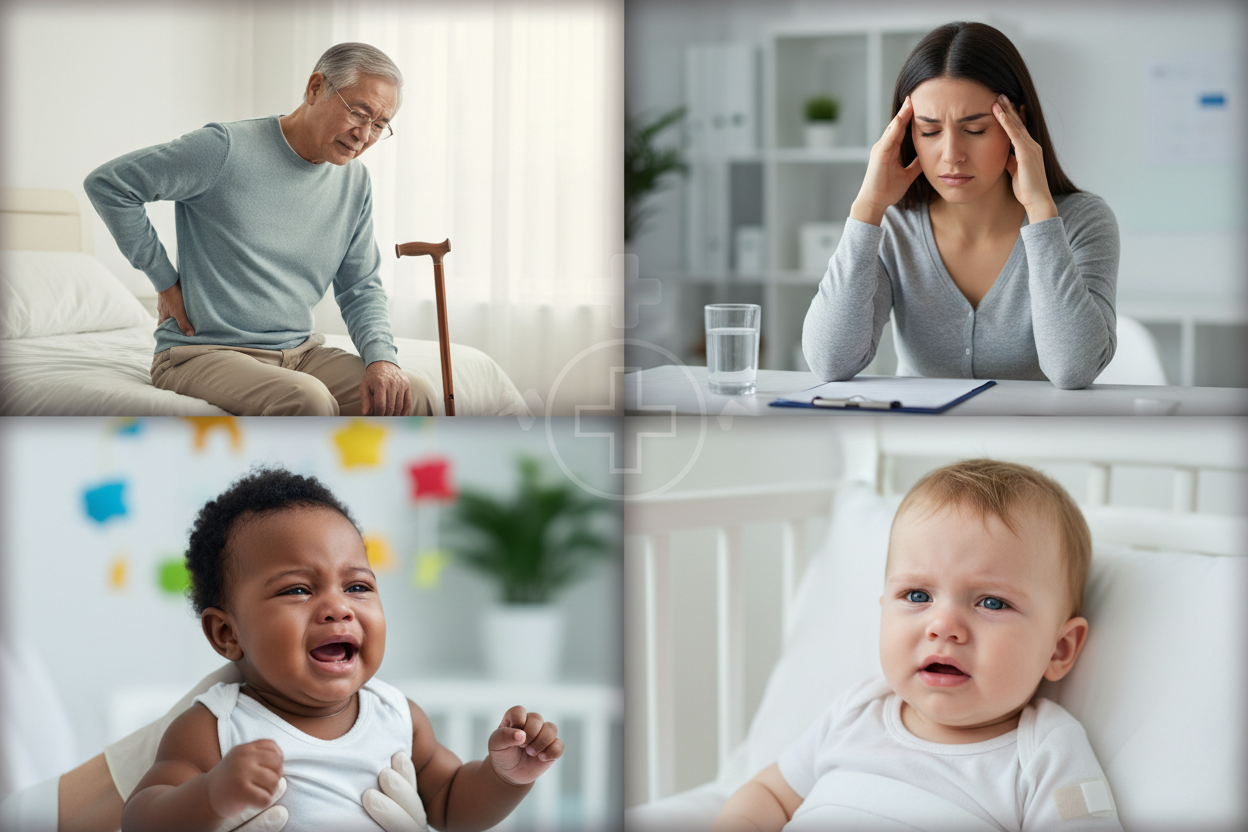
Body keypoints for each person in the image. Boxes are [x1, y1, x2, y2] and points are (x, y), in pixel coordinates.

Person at [117, 467, 561, 832]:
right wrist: (211, 795)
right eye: (296, 589)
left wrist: (503, 777)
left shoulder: (397, 716)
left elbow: (449, 805)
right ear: (226, 634)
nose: (338, 607)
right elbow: (140, 817)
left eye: (357, 586)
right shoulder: (216, 728)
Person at [712, 459, 1123, 831]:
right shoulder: (857, 712)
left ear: (1059, 649)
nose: (943, 626)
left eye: (992, 602)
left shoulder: (1044, 752)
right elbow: (769, 793)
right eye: (917, 596)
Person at [84, 43, 436, 416]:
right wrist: (164, 281)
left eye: (379, 124)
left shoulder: (355, 182)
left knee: (416, 396)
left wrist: (382, 359)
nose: (364, 134)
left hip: (299, 354)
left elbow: (360, 286)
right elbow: (110, 184)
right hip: (202, 353)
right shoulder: (224, 149)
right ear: (316, 87)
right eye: (359, 113)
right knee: (308, 399)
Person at [802, 22, 1119, 390]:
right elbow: (830, 361)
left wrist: (1040, 210)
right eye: (930, 131)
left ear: (1017, 122)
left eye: (975, 130)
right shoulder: (893, 227)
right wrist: (867, 208)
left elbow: (1073, 369)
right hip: (921, 443)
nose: (951, 155)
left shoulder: (1084, 222)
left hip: (1034, 444)